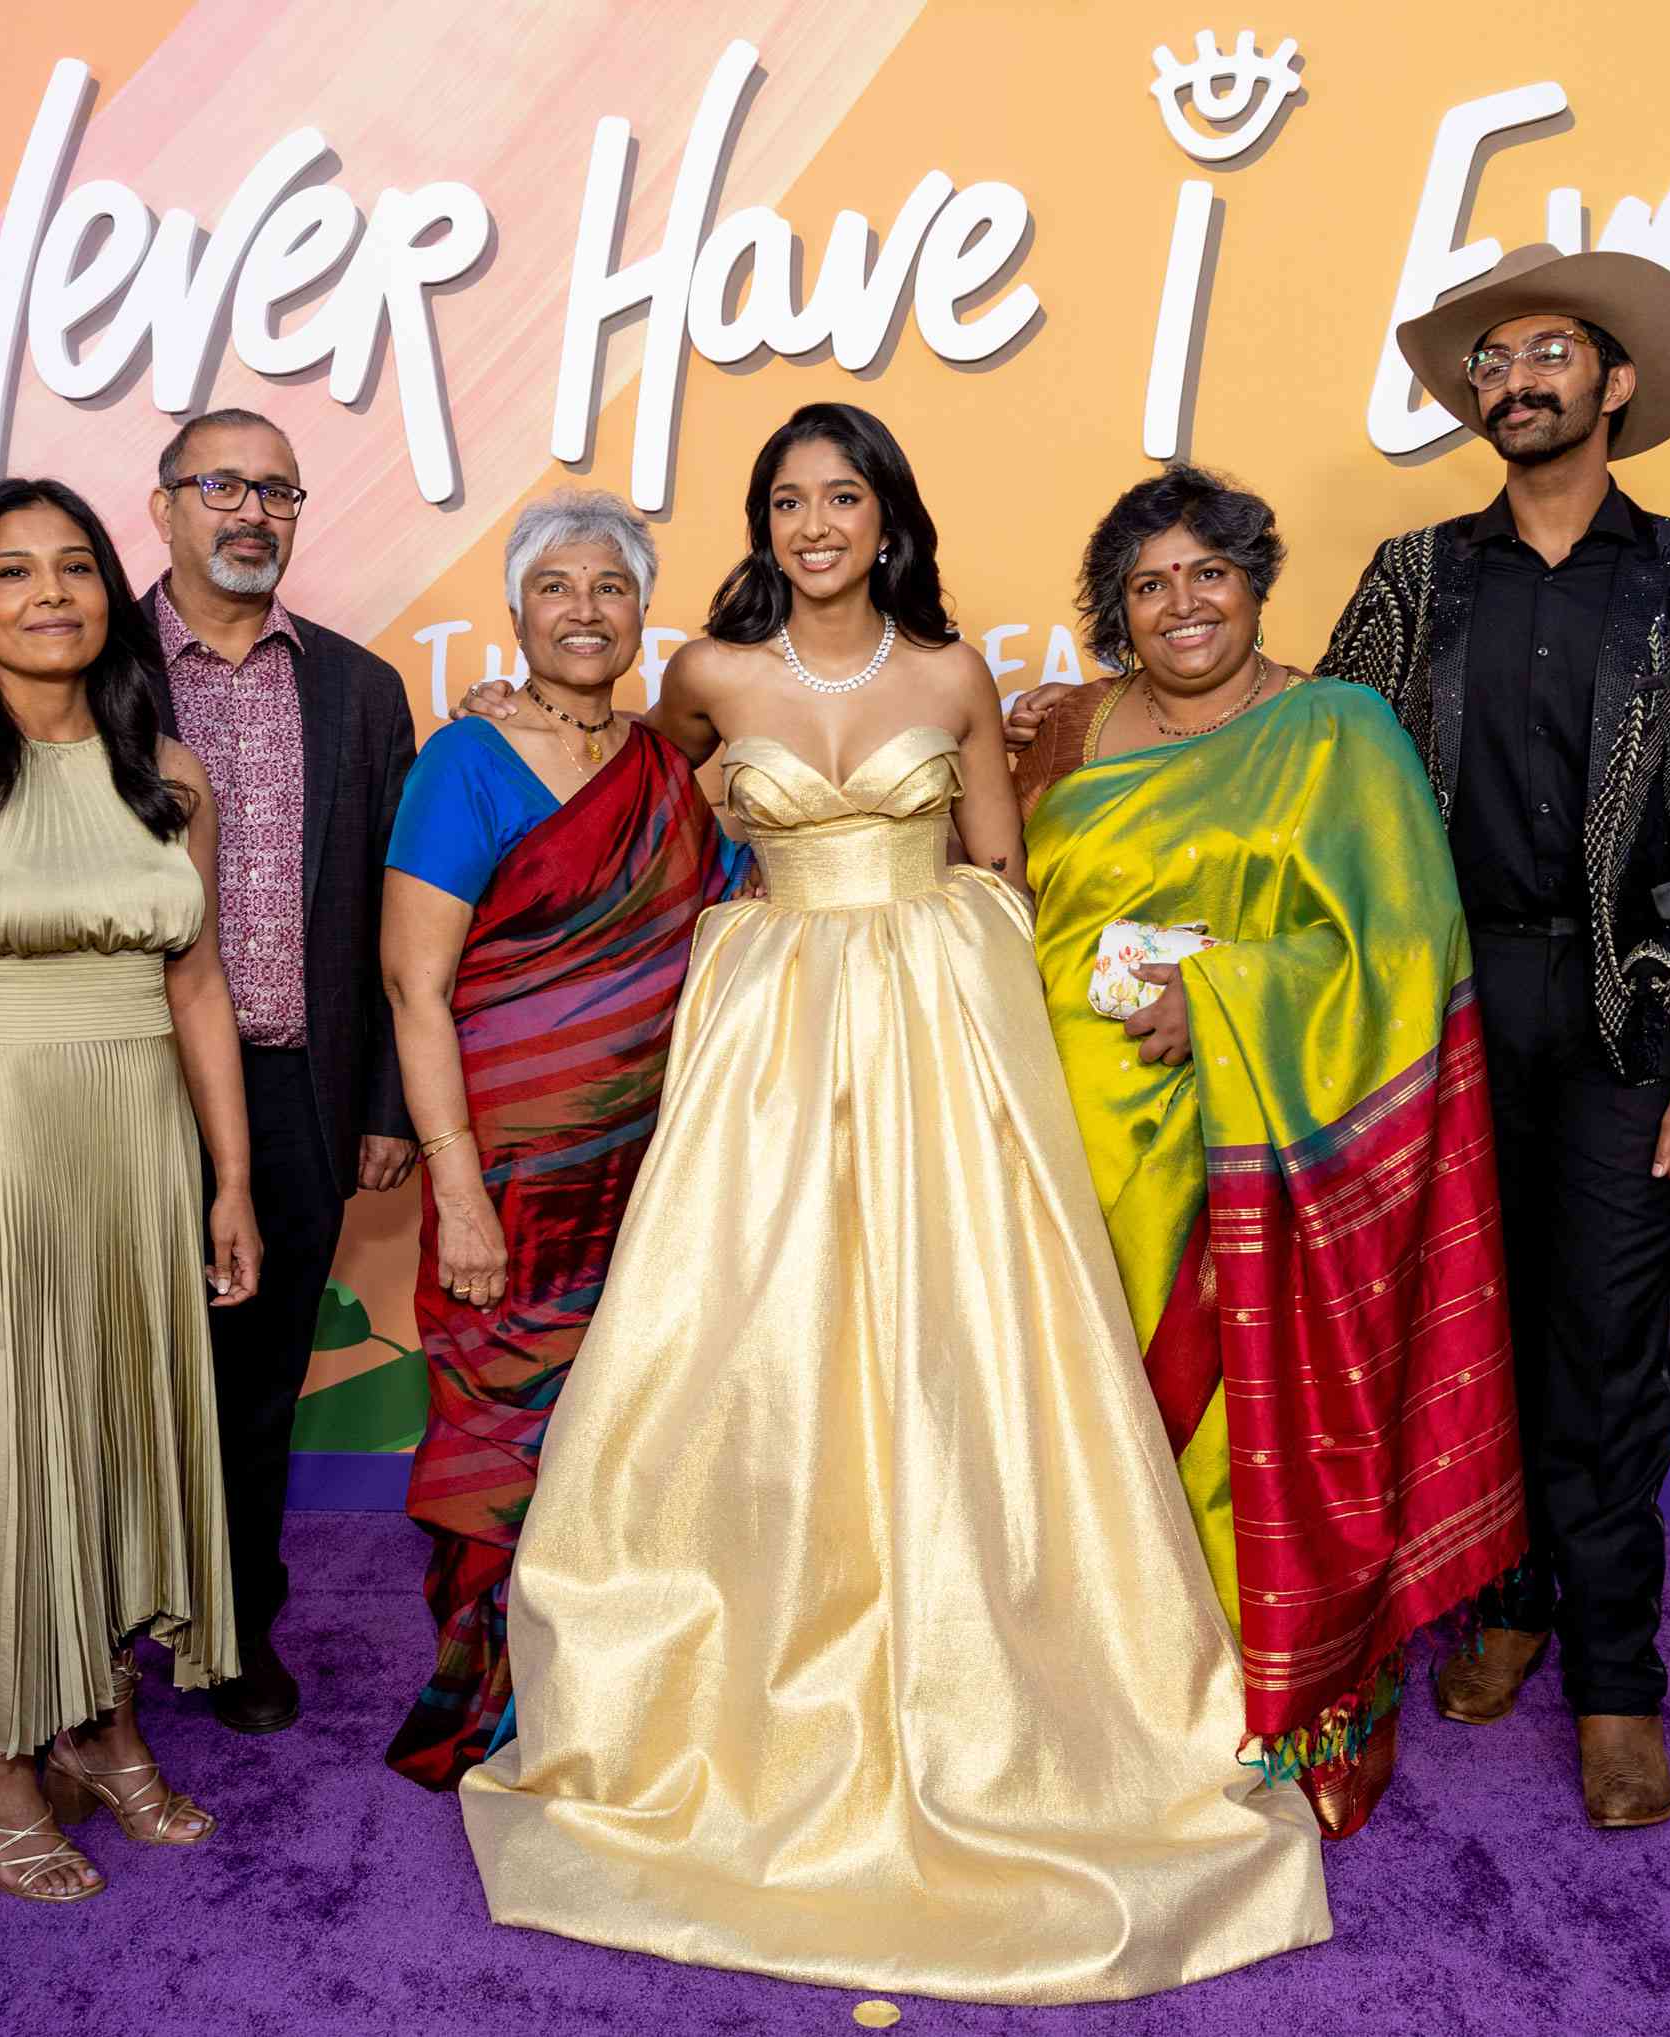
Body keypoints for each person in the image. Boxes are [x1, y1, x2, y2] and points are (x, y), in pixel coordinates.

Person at [451, 403, 1328, 2005]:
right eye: (786, 500)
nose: (813, 524)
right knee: (746, 1346)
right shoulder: (706, 677)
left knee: (968, 1347)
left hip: (938, 1038)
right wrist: (535, 707)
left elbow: (1000, 875)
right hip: (768, 1053)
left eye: (841, 495)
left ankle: (1026, 1696)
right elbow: (635, 811)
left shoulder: (948, 678)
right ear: (763, 522)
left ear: (887, 514)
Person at [1317, 250, 1670, 1828]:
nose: (1516, 377)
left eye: (1549, 353)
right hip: (1443, 1006)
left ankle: (1618, 1679)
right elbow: (1322, 772)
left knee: (1608, 1348)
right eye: (1493, 358)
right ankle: (1509, 1600)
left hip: (1631, 1012)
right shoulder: (1415, 572)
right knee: (1474, 1322)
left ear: (1616, 382)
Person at [1010, 465, 1526, 1841]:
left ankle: (1266, 1697)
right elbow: (978, 897)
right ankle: (1107, 1694)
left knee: (1244, 1421)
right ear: (1118, 610)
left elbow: (1405, 946)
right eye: (1150, 583)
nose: (1182, 604)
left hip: (1250, 1150)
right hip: (1063, 1146)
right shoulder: (1058, 730)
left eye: (1208, 575)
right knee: (1074, 1420)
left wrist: (1227, 996)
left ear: (1254, 584)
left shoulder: (1334, 727)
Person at [0, 478, 259, 1904]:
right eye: (13, 572)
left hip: (138, 1150)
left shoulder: (172, 772)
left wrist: (231, 1180)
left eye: (75, 567)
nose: (49, 596)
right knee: (7, 1449)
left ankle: (101, 1719)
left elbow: (198, 984)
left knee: (116, 1439)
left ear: (110, 591)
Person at [380, 492, 746, 1789]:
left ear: (645, 612)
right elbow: (417, 987)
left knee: (631, 1431)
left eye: (610, 588)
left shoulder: (664, 772)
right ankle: (484, 1701)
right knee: (502, 1440)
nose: (585, 610)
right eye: (557, 588)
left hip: (650, 1176)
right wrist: (458, 1191)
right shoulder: (463, 763)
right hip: (510, 1179)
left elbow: (741, 931)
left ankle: (606, 1681)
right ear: (517, 611)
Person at [144, 408, 418, 1734]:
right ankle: (97, 1625)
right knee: (114, 1372)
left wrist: (385, 1106)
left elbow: (393, 912)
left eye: (280, 494)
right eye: (224, 486)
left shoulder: (361, 692)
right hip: (120, 1093)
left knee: (254, 1389)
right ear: (165, 510)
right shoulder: (92, 672)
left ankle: (232, 1628)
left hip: (300, 1093)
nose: (253, 513)